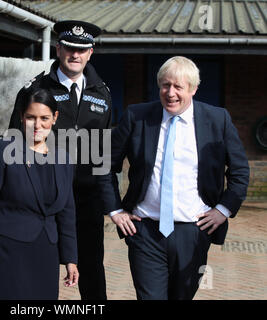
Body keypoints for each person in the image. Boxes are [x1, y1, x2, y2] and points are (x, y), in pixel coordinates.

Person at [98, 56, 250, 300]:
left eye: (178, 87)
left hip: (194, 232)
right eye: (165, 85)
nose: (170, 93)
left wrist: (223, 209)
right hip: (144, 231)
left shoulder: (217, 120)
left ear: (193, 89)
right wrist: (115, 210)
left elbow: (240, 172)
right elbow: (104, 164)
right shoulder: (137, 117)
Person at [9, 20, 112, 300]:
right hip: (44, 197)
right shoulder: (35, 90)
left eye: (82, 50)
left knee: (91, 268)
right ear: (58, 48)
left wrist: (108, 199)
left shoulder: (102, 93)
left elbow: (104, 153)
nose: (75, 55)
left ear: (91, 52)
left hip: (87, 200)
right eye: (69, 48)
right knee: (39, 266)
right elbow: (15, 147)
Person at [0, 88, 79, 300]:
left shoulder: (64, 160)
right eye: (31, 117)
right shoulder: (2, 150)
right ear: (21, 117)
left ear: (55, 118)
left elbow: (67, 213)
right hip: (4, 255)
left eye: (44, 118)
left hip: (45, 254)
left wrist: (70, 259)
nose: (37, 125)